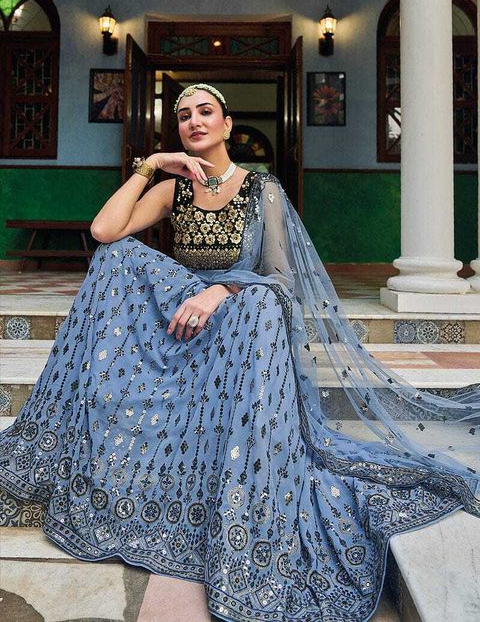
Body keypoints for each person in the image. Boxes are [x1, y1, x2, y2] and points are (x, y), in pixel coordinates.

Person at [0, 83, 478, 622]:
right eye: (183, 115)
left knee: (262, 303)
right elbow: (104, 230)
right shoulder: (173, 189)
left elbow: (279, 276)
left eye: (205, 112)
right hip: (182, 320)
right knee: (116, 259)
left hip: (238, 318)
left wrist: (221, 290)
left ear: (227, 125)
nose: (194, 122)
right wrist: (151, 165)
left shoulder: (261, 189)